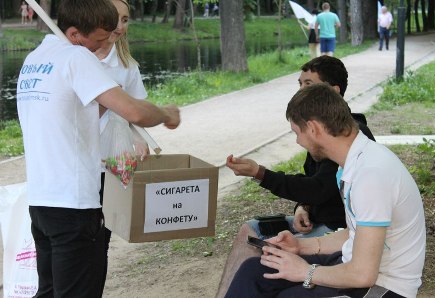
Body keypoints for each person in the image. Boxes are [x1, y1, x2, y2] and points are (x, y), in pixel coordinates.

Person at [16, 0, 180, 297]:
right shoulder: (76, 58)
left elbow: (75, 113)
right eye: (100, 40)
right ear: (76, 34)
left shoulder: (35, 59)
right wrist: (167, 114)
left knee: (50, 291)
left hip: (42, 204)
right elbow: (134, 111)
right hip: (73, 205)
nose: (101, 48)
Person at [225, 83, 426, 298]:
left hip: (384, 287)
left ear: (313, 128)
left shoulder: (370, 175)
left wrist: (305, 272)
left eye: (297, 133)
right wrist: (301, 246)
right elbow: (357, 234)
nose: (298, 141)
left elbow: (362, 275)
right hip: (354, 267)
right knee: (254, 271)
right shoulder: (353, 162)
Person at [215, 56, 376, 298]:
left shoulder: (347, 140)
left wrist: (260, 173)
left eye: (309, 85)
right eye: (299, 84)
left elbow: (318, 188)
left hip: (334, 231)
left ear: (333, 93)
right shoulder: (322, 136)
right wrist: (303, 207)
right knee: (249, 231)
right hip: (319, 224)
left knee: (265, 265)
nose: (301, 92)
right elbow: (316, 185)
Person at [94, 0, 149, 294]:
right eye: (113, 18)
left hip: (111, 165)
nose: (119, 26)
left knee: (101, 237)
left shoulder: (127, 66)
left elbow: (136, 114)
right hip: (79, 163)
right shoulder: (78, 58)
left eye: (125, 20)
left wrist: (138, 138)